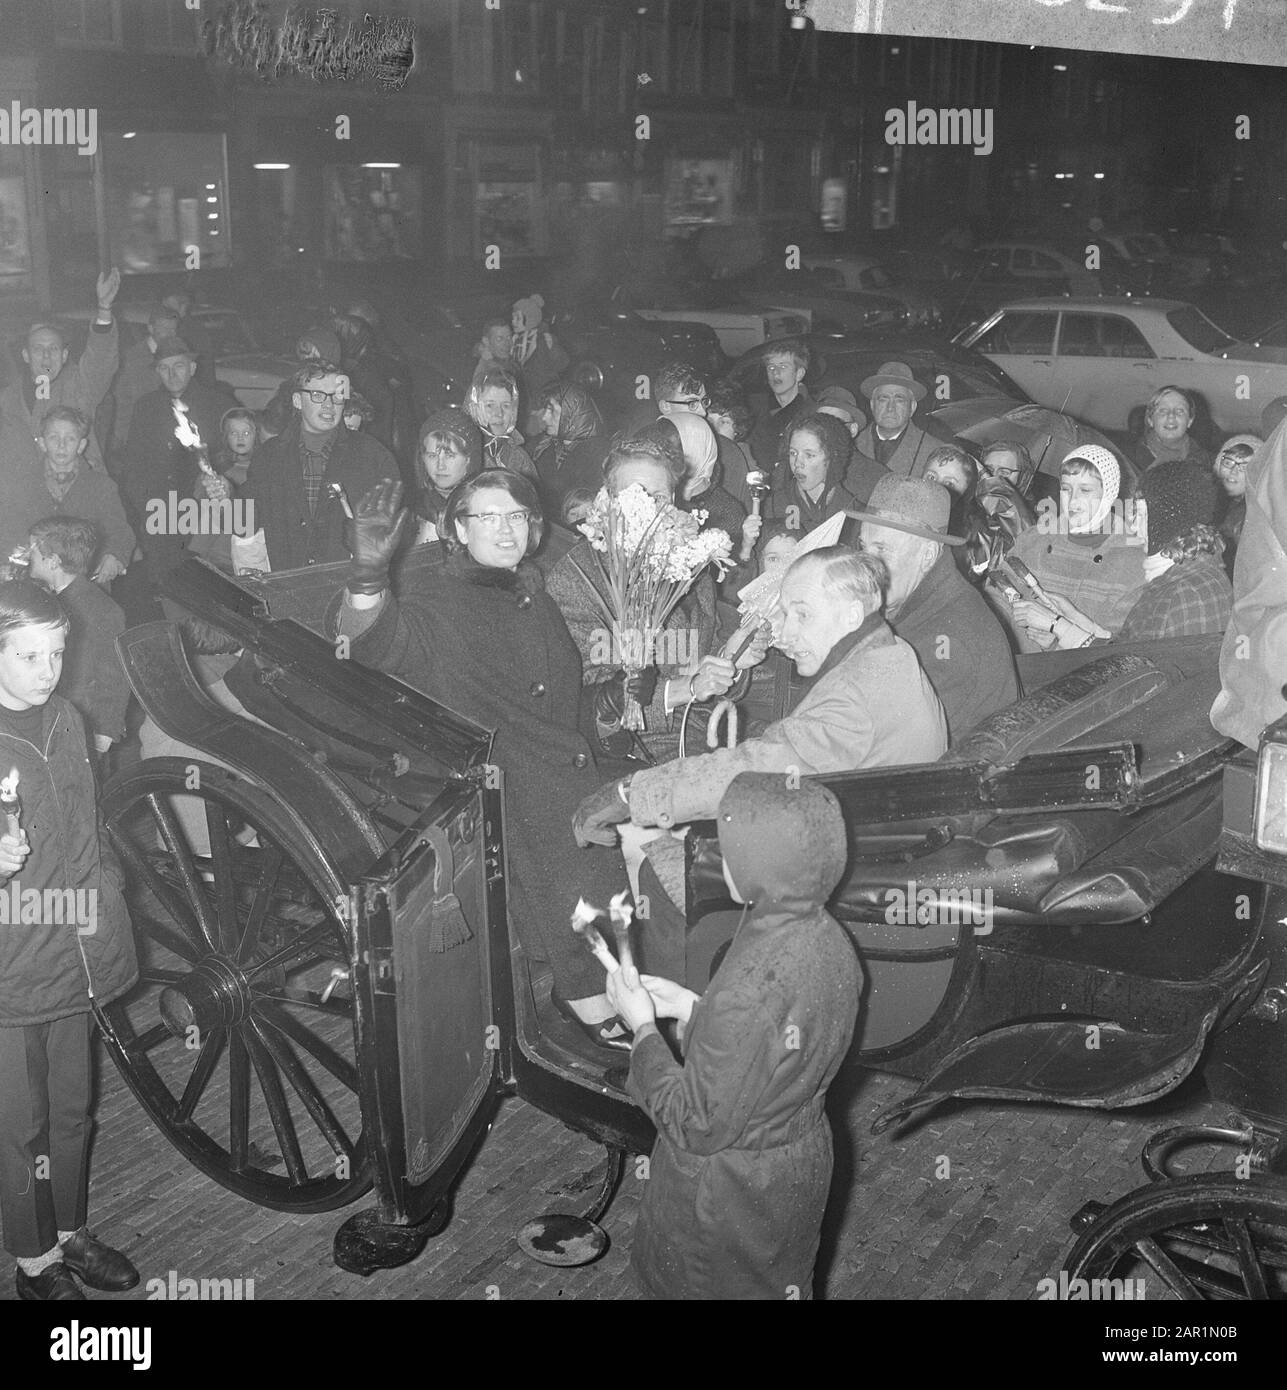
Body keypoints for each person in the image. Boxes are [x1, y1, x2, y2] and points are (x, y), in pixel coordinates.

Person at [332, 472, 634, 1050]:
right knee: (574, 827)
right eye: (487, 517)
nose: (506, 529)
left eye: (517, 516)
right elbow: (375, 643)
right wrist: (367, 577)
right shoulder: (441, 598)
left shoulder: (527, 589)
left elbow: (560, 694)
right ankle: (583, 998)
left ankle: (622, 973)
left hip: (552, 757)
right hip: (498, 771)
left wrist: (617, 700)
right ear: (457, 530)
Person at [603, 771, 861, 1301]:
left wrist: (643, 1027)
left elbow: (696, 1122)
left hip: (725, 1196)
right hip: (794, 1169)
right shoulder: (830, 939)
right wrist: (691, 1008)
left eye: (730, 845)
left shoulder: (753, 976)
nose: (723, 859)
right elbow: (772, 1047)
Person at [574, 547, 947, 838]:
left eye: (802, 614)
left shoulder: (853, 694)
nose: (783, 636)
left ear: (852, 614)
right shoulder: (893, 652)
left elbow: (753, 769)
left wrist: (632, 794)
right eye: (784, 614)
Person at [0, 580, 139, 1300]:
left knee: (73, 1110)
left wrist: (107, 896)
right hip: (12, 967)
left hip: (77, 951)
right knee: (19, 1127)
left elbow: (90, 831)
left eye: (56, 652)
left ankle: (69, 1230)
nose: (47, 670)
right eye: (27, 656)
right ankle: (33, 1260)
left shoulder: (67, 718)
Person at [545, 435, 755, 765]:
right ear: (607, 502)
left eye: (658, 497)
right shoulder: (574, 579)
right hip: (624, 752)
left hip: (699, 739)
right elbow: (582, 700)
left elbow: (705, 663)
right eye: (633, 497)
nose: (648, 511)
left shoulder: (690, 567)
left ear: (674, 500)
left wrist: (736, 659)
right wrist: (683, 689)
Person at [853, 476, 1018, 742]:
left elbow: (878, 741)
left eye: (882, 550)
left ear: (928, 555)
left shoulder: (950, 641)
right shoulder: (921, 604)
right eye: (863, 548)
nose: (865, 567)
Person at [1028, 461, 1230, 648]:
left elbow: (1143, 672)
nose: (1133, 525)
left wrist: (1059, 627)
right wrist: (1071, 619)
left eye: (1142, 514)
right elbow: (1128, 648)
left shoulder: (1186, 594)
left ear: (1168, 520)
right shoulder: (1179, 578)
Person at [240, 362, 399, 572]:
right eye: (318, 395)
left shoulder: (372, 455)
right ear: (297, 401)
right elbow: (246, 524)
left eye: (336, 396)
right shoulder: (270, 457)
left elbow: (395, 528)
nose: (329, 405)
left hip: (350, 587)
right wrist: (222, 499)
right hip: (292, 585)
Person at [1005, 445, 1147, 653]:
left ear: (1109, 492)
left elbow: (1122, 646)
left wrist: (1057, 638)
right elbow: (996, 599)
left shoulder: (1133, 559)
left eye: (1085, 490)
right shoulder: (1033, 540)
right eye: (1066, 488)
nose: (1073, 500)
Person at [0, 268, 120, 480]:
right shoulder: (7, 398)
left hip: (79, 491)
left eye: (53, 349)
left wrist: (103, 310)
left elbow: (100, 361)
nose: (46, 357)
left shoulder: (79, 385)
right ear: (26, 355)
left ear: (65, 355)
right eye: (38, 349)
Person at [26, 518, 129, 762]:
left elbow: (115, 677)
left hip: (83, 727)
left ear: (52, 562)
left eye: (32, 551)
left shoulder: (99, 609)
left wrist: (103, 735)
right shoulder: (60, 598)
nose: (27, 555)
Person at [2, 408, 134, 587]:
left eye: (70, 439)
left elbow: (120, 532)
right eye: (54, 437)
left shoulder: (101, 486)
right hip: (33, 584)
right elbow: (7, 529)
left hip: (85, 584)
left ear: (81, 445)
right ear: (42, 443)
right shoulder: (22, 484)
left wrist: (114, 556)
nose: (61, 445)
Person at [846, 360, 942, 490]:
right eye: (883, 399)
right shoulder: (849, 445)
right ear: (872, 405)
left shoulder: (934, 452)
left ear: (912, 407)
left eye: (899, 399)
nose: (890, 408)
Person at [768, 411, 861, 532]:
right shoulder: (775, 505)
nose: (797, 463)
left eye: (809, 455)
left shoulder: (853, 511)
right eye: (793, 453)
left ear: (832, 457)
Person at [530, 382, 609, 517]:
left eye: (552, 411)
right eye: (545, 410)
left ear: (573, 412)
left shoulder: (600, 453)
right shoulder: (541, 445)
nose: (545, 418)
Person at [411, 407, 483, 545]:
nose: (440, 465)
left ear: (470, 459)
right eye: (432, 456)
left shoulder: (486, 507)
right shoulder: (412, 512)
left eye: (450, 456)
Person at [746, 340, 813, 469]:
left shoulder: (812, 413)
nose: (775, 373)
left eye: (783, 366)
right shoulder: (753, 410)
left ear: (799, 374)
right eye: (771, 367)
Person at [466, 368, 539, 481]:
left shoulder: (519, 459)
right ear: (474, 408)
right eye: (490, 405)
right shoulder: (462, 452)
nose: (499, 413)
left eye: (506, 406)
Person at [1128, 385, 1212, 473]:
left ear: (1190, 420)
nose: (1171, 416)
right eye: (1163, 410)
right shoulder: (1128, 460)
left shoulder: (1205, 463)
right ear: (1150, 419)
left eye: (1180, 411)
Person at [1214, 434, 1259, 580]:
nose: (1233, 472)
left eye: (1245, 467)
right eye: (1228, 462)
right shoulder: (1204, 501)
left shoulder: (1253, 517)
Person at [510, 294, 569, 405]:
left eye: (518, 318)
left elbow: (562, 363)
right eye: (513, 318)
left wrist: (553, 349)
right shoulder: (514, 341)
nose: (513, 322)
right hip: (525, 401)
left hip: (544, 400)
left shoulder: (543, 339)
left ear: (530, 319)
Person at [215, 406, 258, 487]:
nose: (240, 438)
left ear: (255, 435)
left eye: (246, 433)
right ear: (226, 437)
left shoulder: (264, 464)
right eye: (234, 433)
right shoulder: (218, 467)